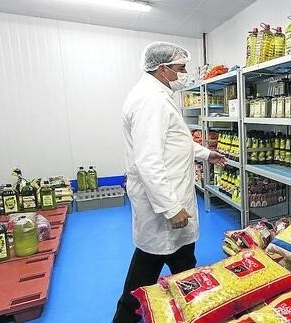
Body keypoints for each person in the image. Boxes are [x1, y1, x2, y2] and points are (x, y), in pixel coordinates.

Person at [114, 42, 226, 323]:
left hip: (173, 194)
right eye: (181, 68)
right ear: (163, 69)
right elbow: (149, 160)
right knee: (149, 263)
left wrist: (206, 153)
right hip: (164, 201)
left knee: (183, 257)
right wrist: (170, 207)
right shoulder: (150, 101)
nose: (185, 74)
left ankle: (191, 306)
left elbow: (176, 143)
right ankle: (125, 317)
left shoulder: (158, 95)